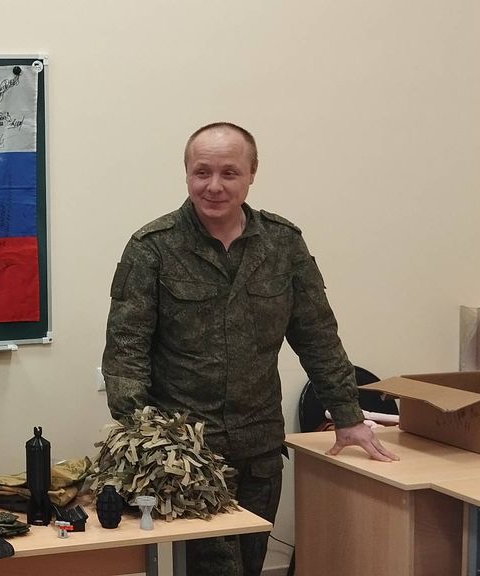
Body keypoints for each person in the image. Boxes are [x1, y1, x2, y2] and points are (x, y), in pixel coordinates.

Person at [101, 122, 398, 576]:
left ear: (252, 173)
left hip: (259, 447)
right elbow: (125, 354)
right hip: (186, 455)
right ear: (186, 173)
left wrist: (348, 416)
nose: (214, 186)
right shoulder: (153, 248)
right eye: (202, 172)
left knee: (251, 563)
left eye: (229, 173)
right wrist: (146, 444)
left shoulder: (283, 244)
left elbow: (317, 335)